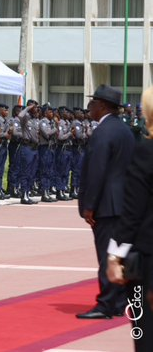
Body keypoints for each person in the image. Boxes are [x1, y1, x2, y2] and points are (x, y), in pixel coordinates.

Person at [76, 85, 135, 320]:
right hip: (122, 201)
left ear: (102, 105)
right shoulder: (123, 130)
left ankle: (106, 304)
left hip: (106, 204)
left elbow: (97, 171)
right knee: (116, 254)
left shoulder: (103, 132)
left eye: (93, 103)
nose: (89, 107)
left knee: (106, 255)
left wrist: (89, 205)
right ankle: (119, 301)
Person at [106, 86, 153, 351]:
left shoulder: (146, 152)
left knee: (145, 331)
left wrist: (114, 255)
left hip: (147, 259)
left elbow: (132, 212)